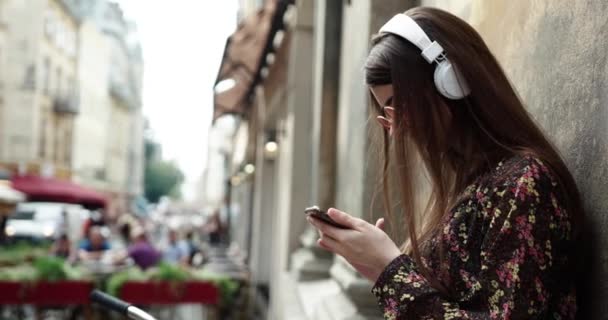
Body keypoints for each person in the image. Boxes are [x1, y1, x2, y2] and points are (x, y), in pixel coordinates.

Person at [306, 7, 583, 319]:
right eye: (388, 115)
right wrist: (381, 268)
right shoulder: (470, 186)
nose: (398, 129)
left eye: (400, 104)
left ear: (451, 80)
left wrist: (390, 270)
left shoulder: (522, 184)